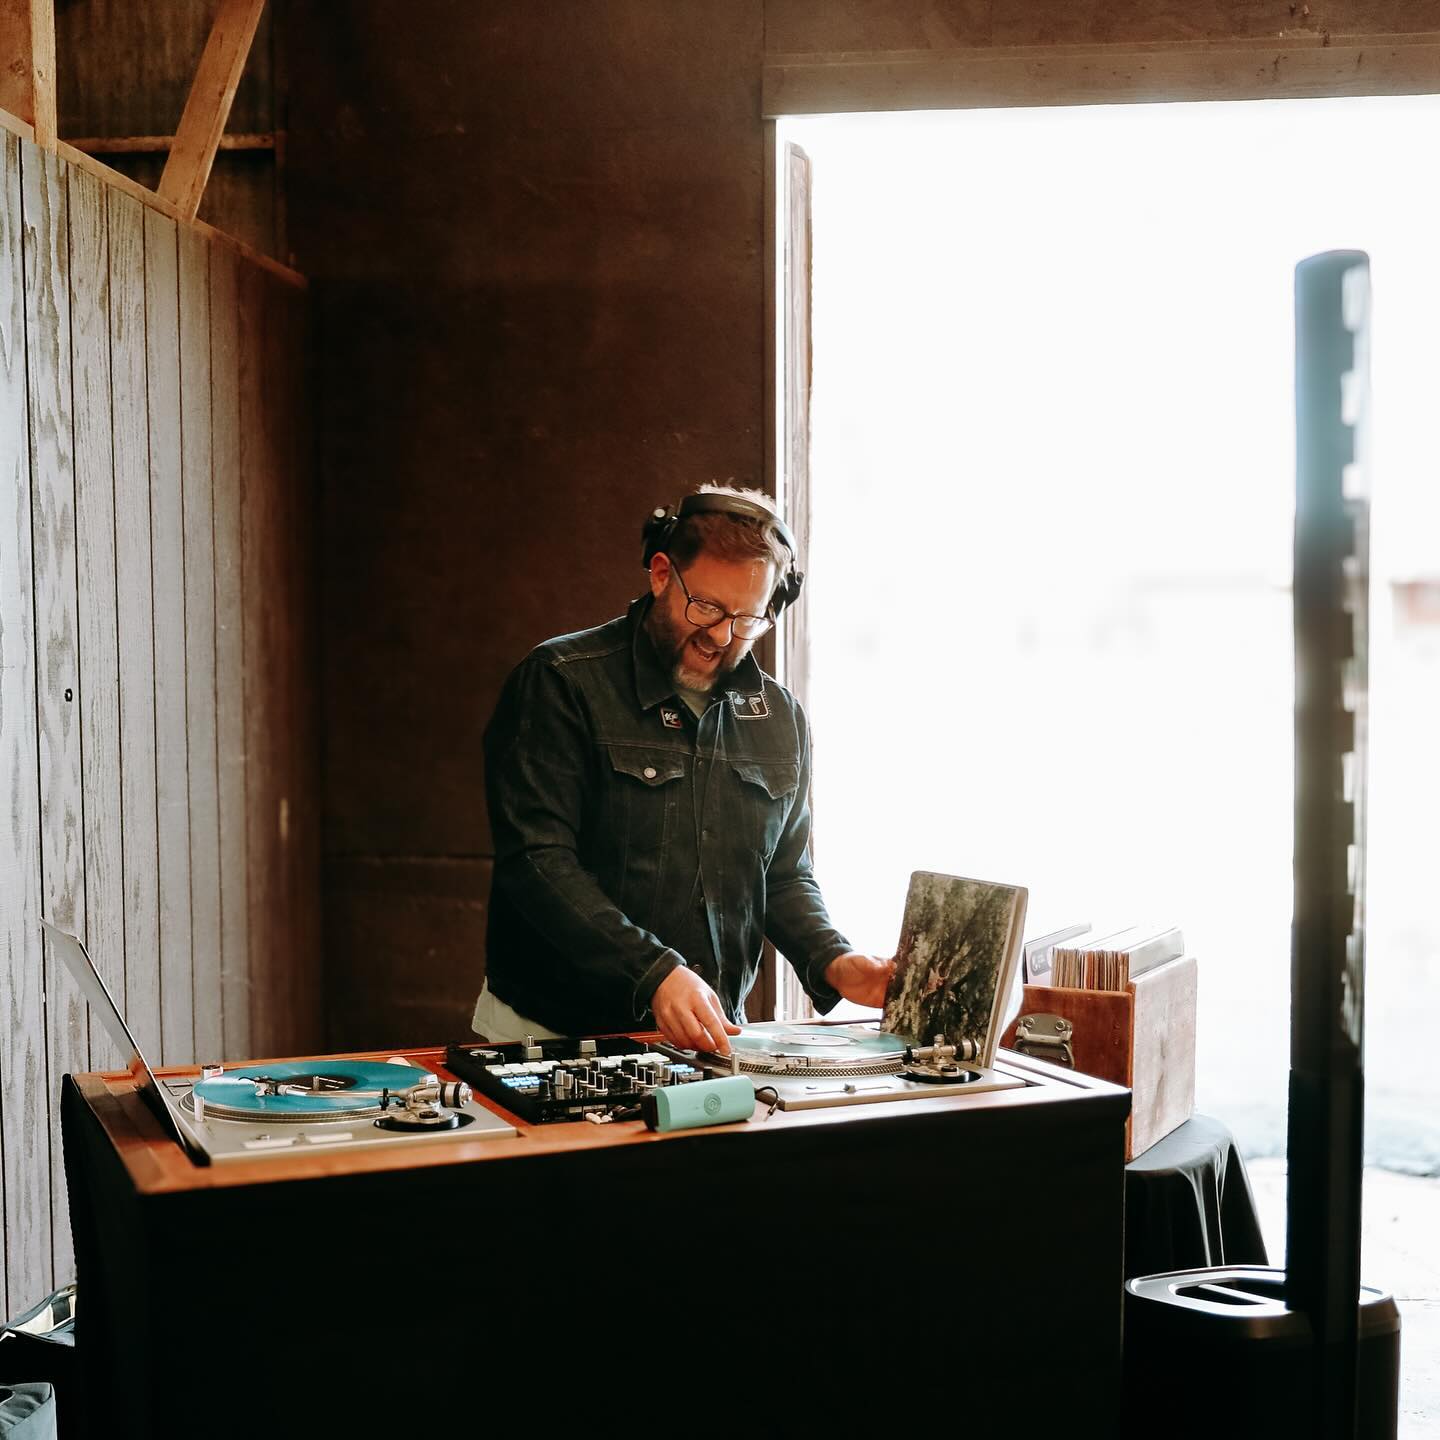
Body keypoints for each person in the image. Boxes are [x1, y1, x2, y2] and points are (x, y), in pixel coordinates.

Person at [472, 485, 892, 1055]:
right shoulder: (560, 680)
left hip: (707, 1042)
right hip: (551, 1036)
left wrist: (835, 960)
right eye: (708, 608)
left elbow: (785, 873)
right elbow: (537, 863)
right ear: (662, 574)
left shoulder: (782, 719)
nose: (721, 637)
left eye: (747, 619)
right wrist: (656, 972)